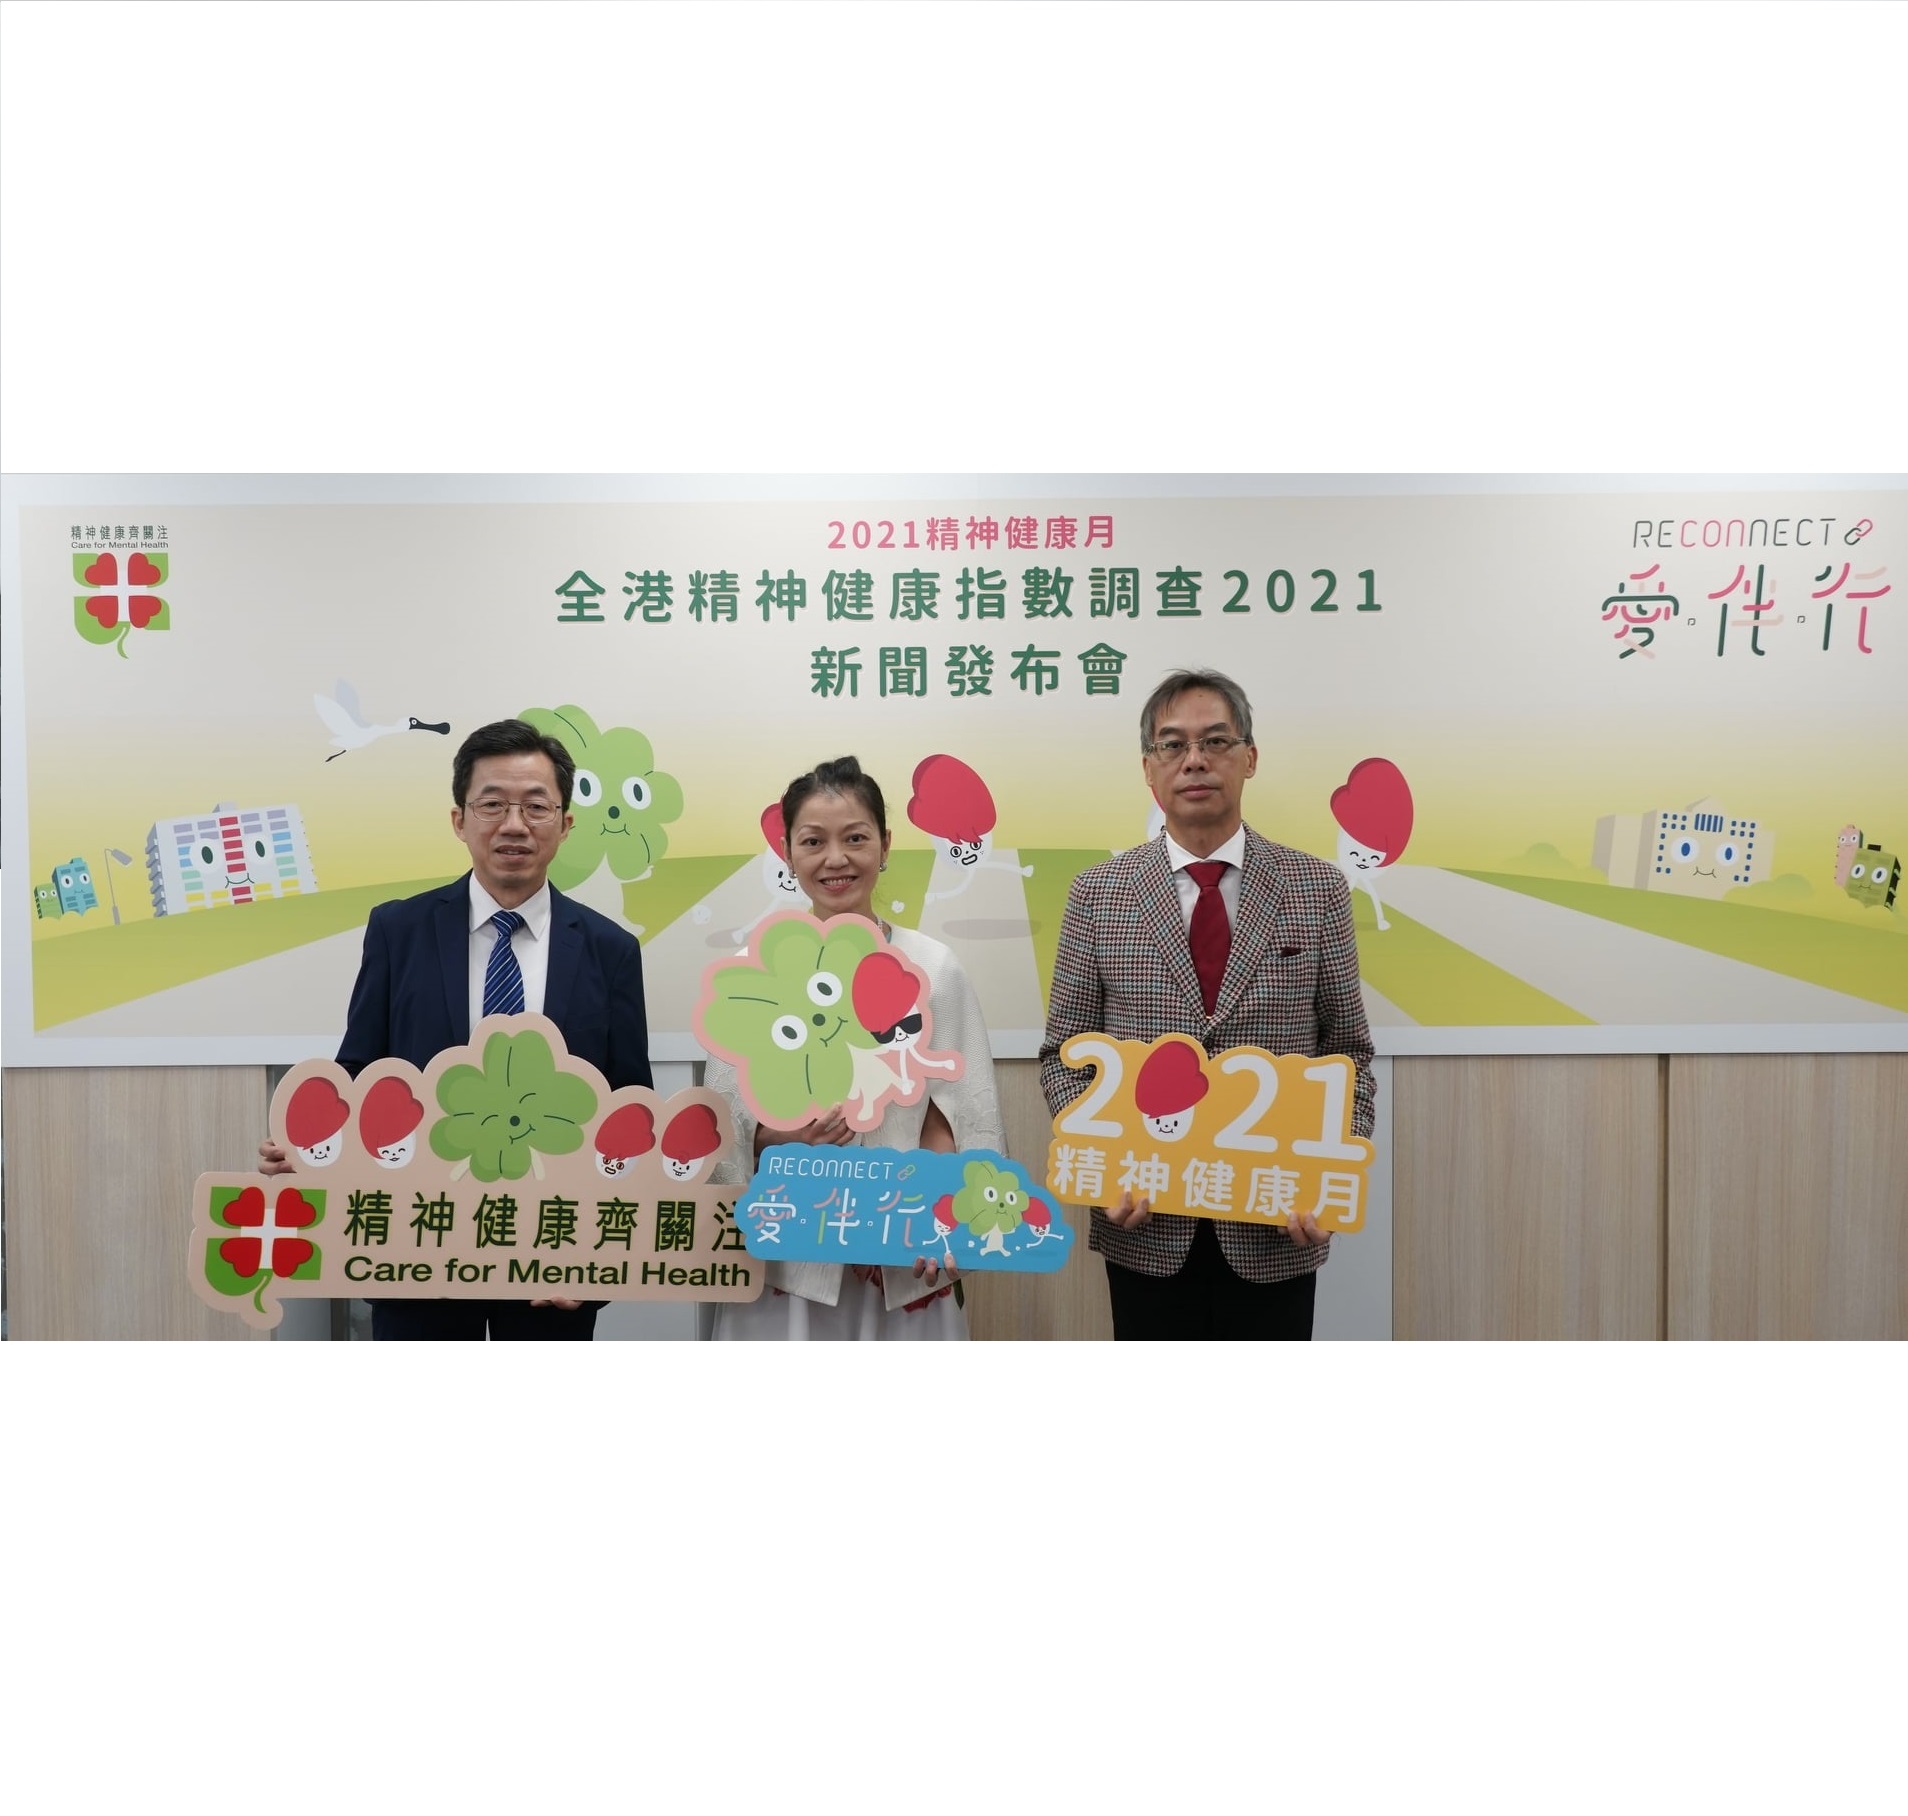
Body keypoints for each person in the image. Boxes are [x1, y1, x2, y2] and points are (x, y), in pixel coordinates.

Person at [260, 717, 651, 1339]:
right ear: (459, 819)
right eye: (492, 804)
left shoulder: (611, 949)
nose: (514, 824)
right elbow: (360, 1072)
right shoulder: (398, 931)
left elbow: (631, 1110)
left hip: (554, 1259)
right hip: (417, 1250)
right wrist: (313, 1146)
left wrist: (595, 1264)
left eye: (536, 806)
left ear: (566, 823)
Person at [1038, 668, 1375, 1340]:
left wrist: (1328, 1174)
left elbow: (1349, 1055)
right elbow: (1060, 1057)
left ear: (1249, 758)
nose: (1194, 759)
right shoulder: (1098, 894)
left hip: (1277, 1225)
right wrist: (1103, 1171)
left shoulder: (1318, 890)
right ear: (1148, 768)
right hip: (1145, 1225)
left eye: (1215, 741)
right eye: (1173, 745)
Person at [704, 756, 1003, 1340]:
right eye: (813, 841)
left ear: (885, 845)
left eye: (856, 838)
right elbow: (727, 1127)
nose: (835, 859)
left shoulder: (933, 967)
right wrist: (790, 1136)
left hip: (900, 1256)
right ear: (788, 854)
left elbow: (968, 1113)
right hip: (787, 1257)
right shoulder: (749, 972)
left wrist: (954, 1219)